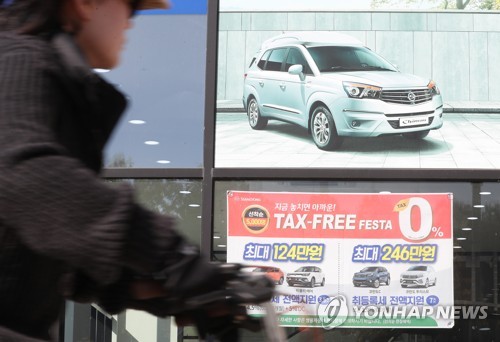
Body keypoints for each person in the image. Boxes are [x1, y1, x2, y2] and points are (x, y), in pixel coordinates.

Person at [0, 0, 274, 341]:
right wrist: (171, 255)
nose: (133, 22)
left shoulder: (53, 79)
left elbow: (58, 255)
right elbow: (28, 178)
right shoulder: (17, 61)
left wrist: (166, 290)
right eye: (131, 7)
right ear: (86, 4)